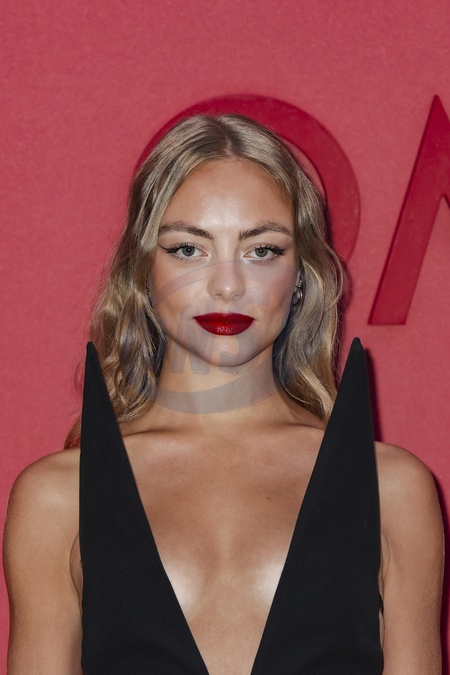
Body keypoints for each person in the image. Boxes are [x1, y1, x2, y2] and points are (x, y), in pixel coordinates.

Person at [3, 114, 444, 674]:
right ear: (142, 269)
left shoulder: (392, 489)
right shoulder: (57, 498)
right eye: (189, 249)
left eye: (262, 250)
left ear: (301, 273)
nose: (228, 285)